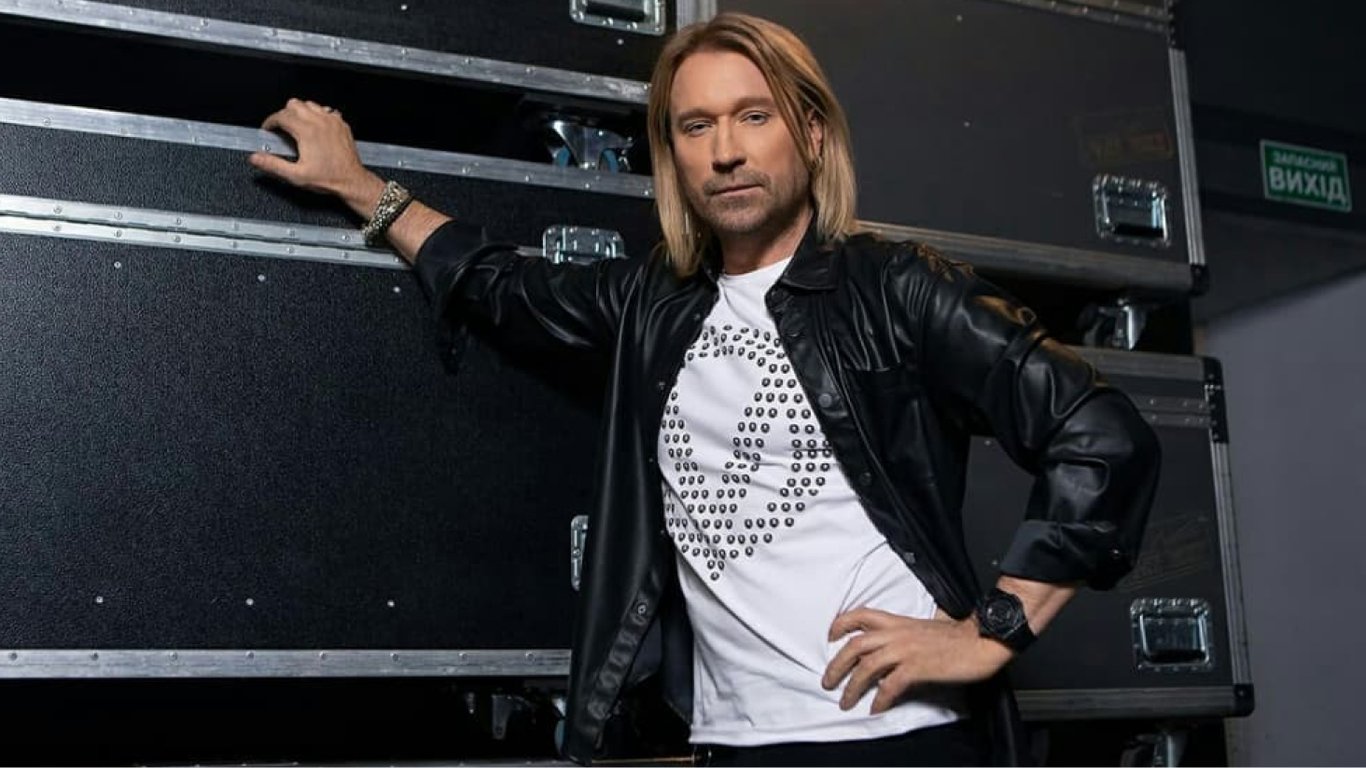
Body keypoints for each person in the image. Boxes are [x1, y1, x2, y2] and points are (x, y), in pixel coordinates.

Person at [248, 12, 1159, 766]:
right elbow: (502, 286)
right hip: (727, 742)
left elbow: (1102, 433)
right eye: (696, 126)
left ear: (811, 133)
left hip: (892, 739)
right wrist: (361, 187)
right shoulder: (657, 302)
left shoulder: (895, 289)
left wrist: (990, 632)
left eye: (754, 116)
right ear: (674, 154)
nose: (726, 151)